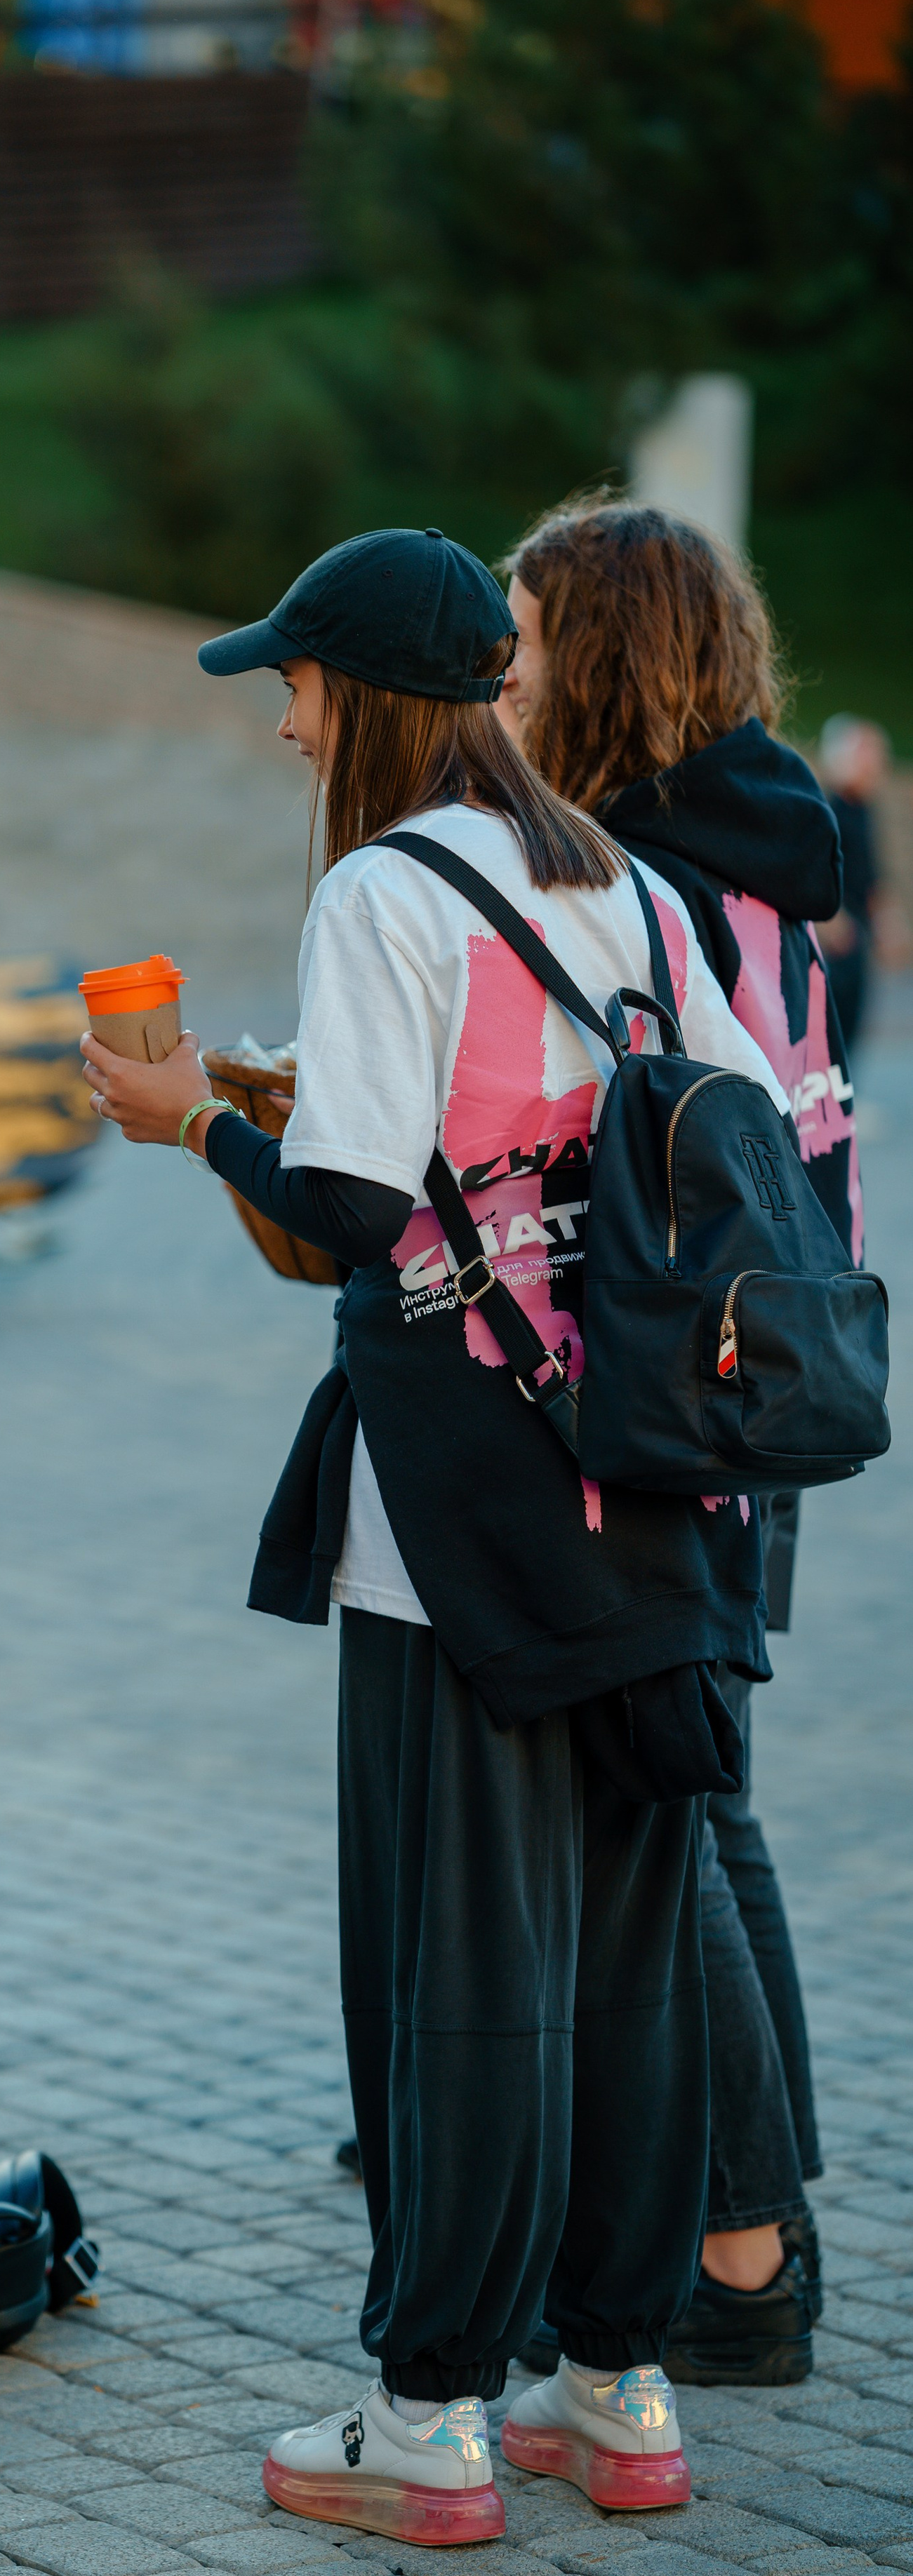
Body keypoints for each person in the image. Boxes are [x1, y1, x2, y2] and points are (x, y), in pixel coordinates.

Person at [84, 528, 790, 2547]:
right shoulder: (631, 887)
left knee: (458, 1970)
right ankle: (622, 2392)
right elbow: (727, 1136)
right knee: (634, 1955)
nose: (279, 719)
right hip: (652, 1495)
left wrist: (190, 1126)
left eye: (294, 685)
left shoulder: (386, 890)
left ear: (372, 698)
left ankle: (432, 2422)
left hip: (460, 1517)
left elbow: (357, 1222)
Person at [498, 502, 852, 2386]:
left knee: (674, 1805)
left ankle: (739, 2259)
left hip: (671, 1392)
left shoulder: (646, 873)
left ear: (604, 654)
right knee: (711, 1802)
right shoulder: (782, 840)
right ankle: (757, 2217)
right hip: (763, 1376)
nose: (502, 667)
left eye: (526, 631)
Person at [815, 713, 893, 1052]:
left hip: (858, 927)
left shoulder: (863, 810)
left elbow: (870, 874)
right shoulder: (831, 809)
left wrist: (883, 921)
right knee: (836, 1019)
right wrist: (832, 920)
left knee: (855, 1016)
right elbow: (819, 867)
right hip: (842, 933)